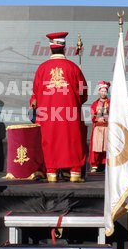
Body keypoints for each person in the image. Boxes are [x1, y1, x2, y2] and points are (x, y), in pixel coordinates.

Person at [30, 31, 88, 183]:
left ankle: (52, 173)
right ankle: (75, 172)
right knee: (72, 140)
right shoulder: (74, 68)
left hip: (48, 115)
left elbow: (35, 93)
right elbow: (84, 91)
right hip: (71, 114)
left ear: (51, 48)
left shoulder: (42, 69)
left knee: (51, 141)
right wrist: (76, 101)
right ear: (64, 47)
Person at [89, 80, 110, 173]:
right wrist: (97, 117)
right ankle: (95, 165)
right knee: (97, 147)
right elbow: (92, 116)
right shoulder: (95, 103)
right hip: (98, 128)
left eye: (105, 91)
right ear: (98, 92)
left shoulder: (110, 103)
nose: (103, 93)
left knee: (107, 147)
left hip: (107, 127)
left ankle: (106, 164)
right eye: (102, 91)